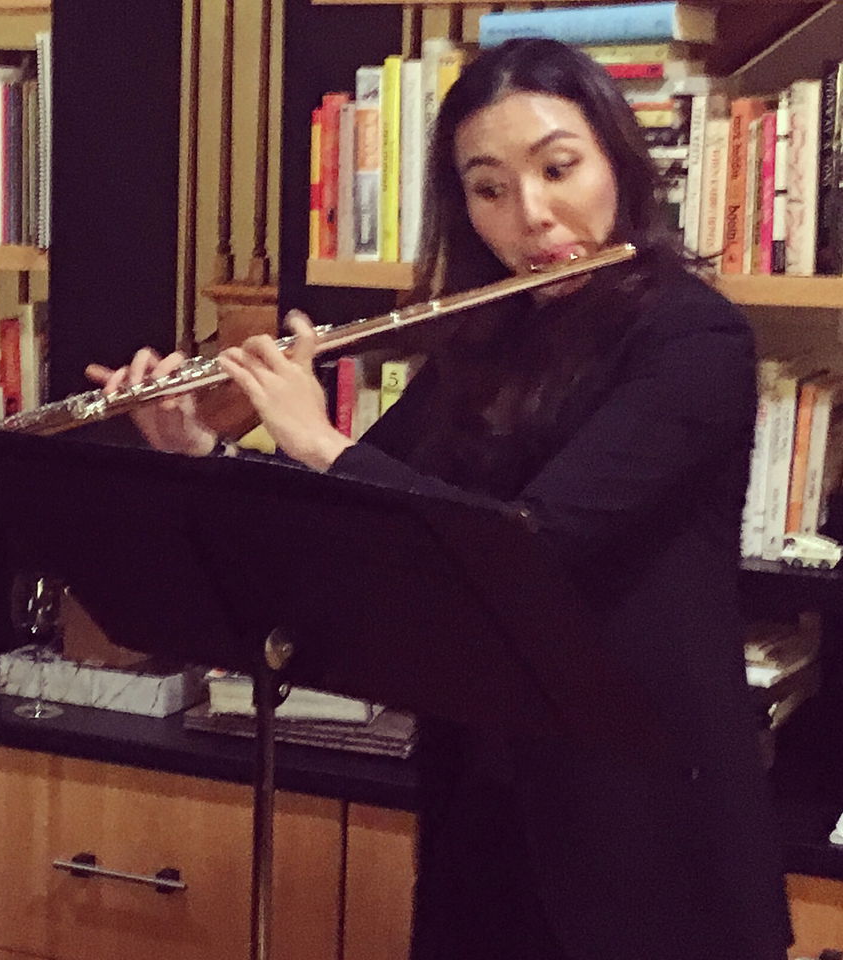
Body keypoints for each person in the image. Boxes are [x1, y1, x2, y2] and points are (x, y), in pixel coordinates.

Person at [92, 38, 790, 960]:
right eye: (489, 188)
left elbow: (532, 547)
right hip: (488, 803)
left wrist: (321, 439)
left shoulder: (695, 339)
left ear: (617, 161)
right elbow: (345, 519)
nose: (532, 216)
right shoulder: (487, 338)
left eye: (558, 167)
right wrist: (201, 447)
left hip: (650, 823)